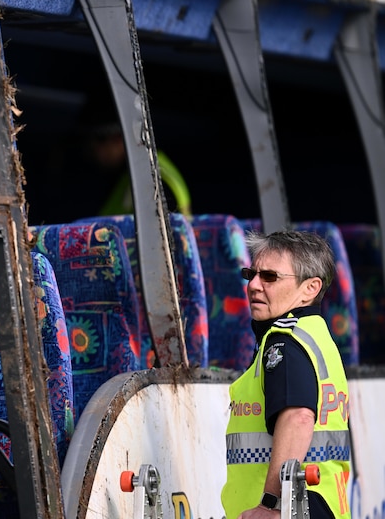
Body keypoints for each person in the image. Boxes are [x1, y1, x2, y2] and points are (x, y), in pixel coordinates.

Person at [222, 229, 351, 519]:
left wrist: (269, 505)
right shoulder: (317, 336)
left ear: (310, 288)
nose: (254, 285)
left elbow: (298, 417)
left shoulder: (284, 342)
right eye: (250, 274)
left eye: (269, 277)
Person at [88, 121, 191, 217]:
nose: (92, 152)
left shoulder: (151, 176)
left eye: (97, 144)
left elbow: (163, 232)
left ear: (118, 139)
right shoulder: (130, 175)